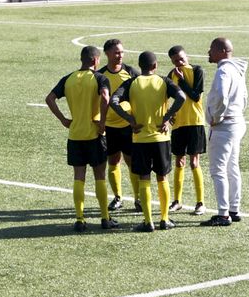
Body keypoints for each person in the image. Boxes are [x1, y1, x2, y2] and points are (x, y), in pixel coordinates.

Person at [110, 51, 185, 232]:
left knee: (144, 178)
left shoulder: (132, 83)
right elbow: (182, 97)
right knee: (162, 177)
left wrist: (130, 120)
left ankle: (147, 221)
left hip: (140, 138)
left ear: (140, 65)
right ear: (155, 65)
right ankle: (164, 219)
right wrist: (167, 117)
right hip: (161, 138)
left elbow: (113, 100)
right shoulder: (163, 82)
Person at [46, 46, 119, 231]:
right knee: (100, 176)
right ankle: (105, 217)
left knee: (79, 177)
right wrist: (102, 122)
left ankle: (79, 219)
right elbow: (105, 97)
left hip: (75, 135)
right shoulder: (100, 78)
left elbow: (49, 99)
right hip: (94, 134)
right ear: (95, 60)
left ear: (82, 59)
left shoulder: (68, 79)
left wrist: (63, 119)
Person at [200, 37, 248, 227]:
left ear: (221, 51)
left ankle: (223, 213)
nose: (208, 52)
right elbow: (244, 97)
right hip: (237, 122)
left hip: (224, 126)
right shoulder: (237, 70)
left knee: (218, 170)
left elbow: (221, 96)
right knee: (232, 167)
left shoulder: (223, 71)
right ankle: (233, 209)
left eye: (211, 49)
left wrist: (215, 117)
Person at [99, 39, 141, 212]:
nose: (120, 55)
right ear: (107, 53)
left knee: (132, 162)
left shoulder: (131, 72)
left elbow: (141, 93)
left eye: (122, 52)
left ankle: (138, 199)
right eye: (117, 52)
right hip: (109, 127)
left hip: (128, 126)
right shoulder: (101, 75)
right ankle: (117, 197)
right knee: (113, 161)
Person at [166, 45, 207, 216]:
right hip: (179, 125)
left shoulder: (197, 71)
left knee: (194, 162)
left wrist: (182, 81)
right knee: (179, 162)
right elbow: (164, 98)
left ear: (187, 56)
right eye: (176, 61)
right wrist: (168, 115)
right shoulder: (170, 75)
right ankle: (177, 201)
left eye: (182, 59)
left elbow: (195, 96)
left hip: (195, 122)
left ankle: (200, 203)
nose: (180, 63)